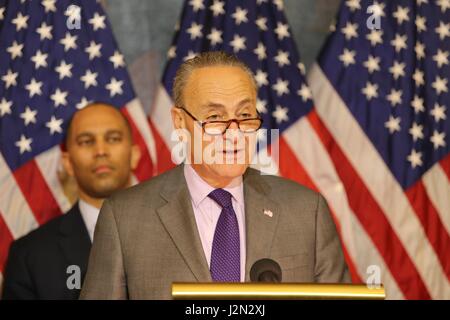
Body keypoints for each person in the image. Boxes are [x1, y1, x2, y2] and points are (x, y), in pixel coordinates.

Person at [80, 51, 350, 300]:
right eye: (215, 118)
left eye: (244, 115)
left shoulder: (307, 211)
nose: (234, 133)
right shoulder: (125, 218)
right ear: (179, 122)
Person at [1, 103, 141, 299]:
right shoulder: (29, 256)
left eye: (113, 139)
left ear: (134, 155)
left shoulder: (181, 233)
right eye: (86, 141)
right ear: (67, 163)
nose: (100, 150)